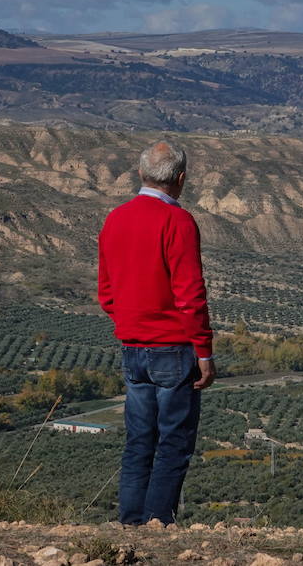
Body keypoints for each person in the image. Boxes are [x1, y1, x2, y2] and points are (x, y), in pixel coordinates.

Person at [97, 140, 216, 525]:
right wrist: (204, 352)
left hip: (132, 348)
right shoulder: (178, 222)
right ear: (181, 179)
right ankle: (157, 526)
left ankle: (131, 523)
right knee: (174, 443)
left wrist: (129, 323)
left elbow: (106, 292)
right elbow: (190, 294)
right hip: (174, 350)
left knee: (138, 442)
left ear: (140, 174)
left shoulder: (115, 219)